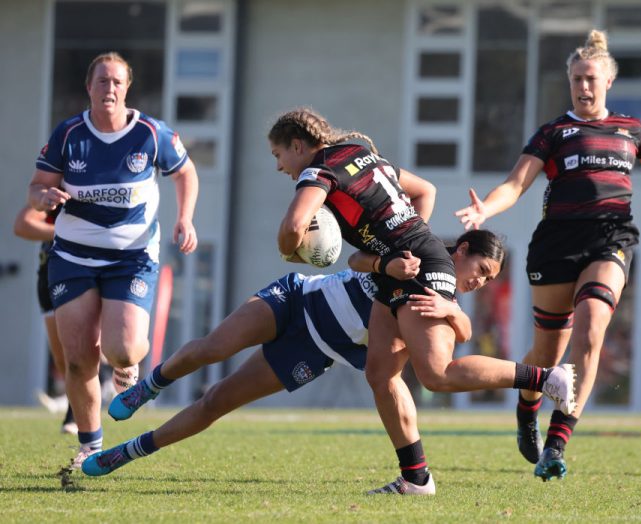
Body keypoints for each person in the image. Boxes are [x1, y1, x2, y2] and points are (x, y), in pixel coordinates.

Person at [455, 30, 641, 481]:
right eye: (576, 79)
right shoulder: (553, 133)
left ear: (608, 81)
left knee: (590, 332)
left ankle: (556, 443)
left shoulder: (633, 130)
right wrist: (485, 207)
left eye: (591, 79)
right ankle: (527, 406)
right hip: (556, 245)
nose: (583, 87)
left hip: (611, 239)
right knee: (548, 353)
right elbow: (516, 184)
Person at [268, 108, 575, 495]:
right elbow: (423, 190)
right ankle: (415, 478)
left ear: (298, 146)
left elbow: (293, 228)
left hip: (420, 264)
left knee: (436, 373)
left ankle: (545, 378)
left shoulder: (320, 171)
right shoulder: (359, 152)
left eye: (279, 155)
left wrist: (288, 251)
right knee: (380, 374)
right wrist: (397, 248)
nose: (280, 166)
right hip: (398, 270)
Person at [80, 230, 531, 479]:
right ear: (463, 249)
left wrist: (455, 311)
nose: (481, 282)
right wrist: (383, 264)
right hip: (298, 299)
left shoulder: (442, 296)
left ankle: (128, 453)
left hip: (316, 349)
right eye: (483, 271)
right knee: (214, 347)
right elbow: (357, 257)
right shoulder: (419, 249)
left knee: (217, 401)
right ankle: (151, 384)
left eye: (489, 281)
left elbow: (460, 341)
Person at [27, 51, 199, 468]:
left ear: (127, 88)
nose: (110, 88)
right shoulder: (69, 134)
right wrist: (45, 196)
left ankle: (127, 364)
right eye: (102, 81)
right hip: (72, 255)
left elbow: (185, 172)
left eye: (117, 82)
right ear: (89, 87)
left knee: (122, 350)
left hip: (132, 256)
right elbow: (36, 187)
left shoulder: (150, 133)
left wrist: (185, 219)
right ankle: (89, 447)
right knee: (79, 357)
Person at [13, 204, 77, 435]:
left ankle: (77, 414)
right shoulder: (55, 190)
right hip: (49, 273)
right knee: (61, 357)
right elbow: (22, 225)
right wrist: (65, 231)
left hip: (84, 274)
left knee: (80, 349)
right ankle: (78, 402)